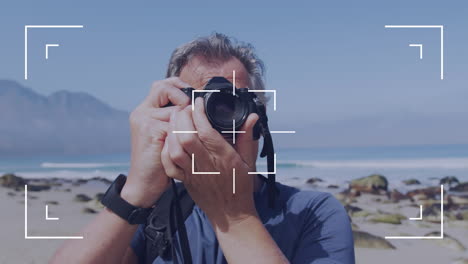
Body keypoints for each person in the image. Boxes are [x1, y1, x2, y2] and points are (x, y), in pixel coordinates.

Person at [51, 33, 355, 264]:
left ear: (259, 119)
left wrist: (235, 216)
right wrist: (135, 192)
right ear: (168, 112)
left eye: (233, 102)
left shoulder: (314, 213)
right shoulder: (157, 209)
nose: (215, 118)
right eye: (198, 103)